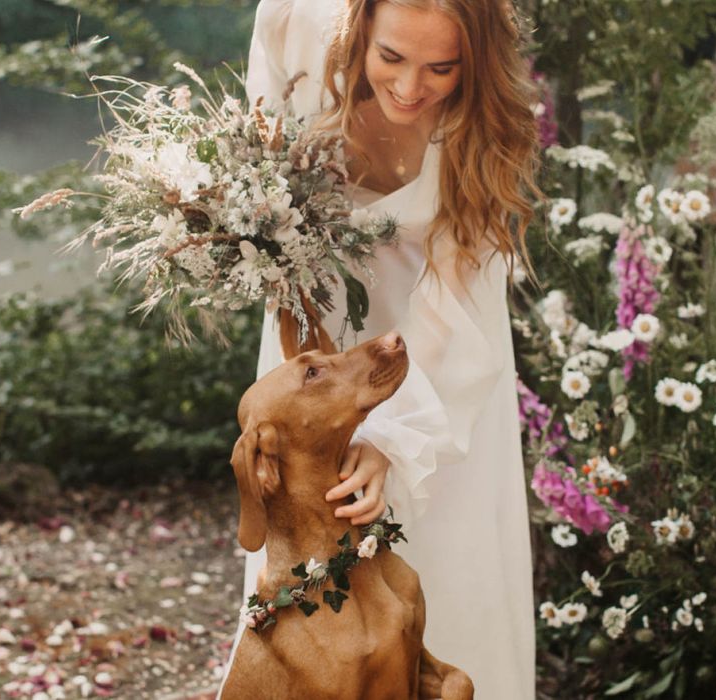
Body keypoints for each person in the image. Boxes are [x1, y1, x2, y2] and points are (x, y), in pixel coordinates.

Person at [218, 0, 539, 697]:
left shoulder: (483, 126)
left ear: (473, 63)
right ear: (358, 30)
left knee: (450, 567)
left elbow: (457, 302)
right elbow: (259, 190)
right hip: (319, 335)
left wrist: (391, 436)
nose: (409, 87)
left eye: (441, 68)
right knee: (310, 562)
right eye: (391, 57)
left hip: (443, 347)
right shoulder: (292, 25)